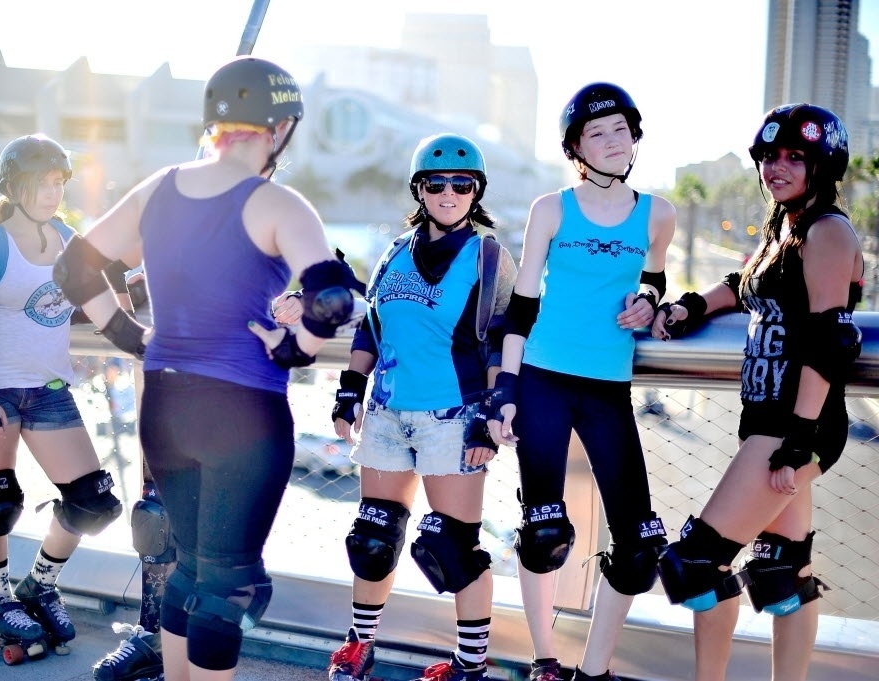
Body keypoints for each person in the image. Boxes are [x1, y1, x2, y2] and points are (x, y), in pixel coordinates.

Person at [52, 56, 363, 681]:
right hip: (240, 413)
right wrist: (294, 346)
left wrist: (130, 336)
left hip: (165, 408)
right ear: (279, 129)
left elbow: (73, 271)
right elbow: (335, 301)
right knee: (229, 591)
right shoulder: (279, 203)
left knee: (188, 571)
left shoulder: (158, 187)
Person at [652, 104, 862, 681]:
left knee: (695, 563)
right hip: (773, 421)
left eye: (796, 156)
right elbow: (744, 284)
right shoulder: (784, 230)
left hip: (794, 425)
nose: (778, 166)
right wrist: (692, 306)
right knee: (781, 573)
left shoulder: (828, 230)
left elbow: (828, 341)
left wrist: (796, 440)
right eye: (770, 156)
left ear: (823, 165)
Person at [485, 83, 676, 681]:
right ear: (576, 147)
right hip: (541, 379)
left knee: (640, 544)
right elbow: (521, 308)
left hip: (606, 387)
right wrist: (505, 392)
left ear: (636, 136)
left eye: (621, 129)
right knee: (542, 531)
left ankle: (593, 672)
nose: (613, 141)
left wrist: (647, 300)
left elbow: (653, 280)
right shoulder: (551, 208)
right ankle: (546, 663)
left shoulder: (658, 214)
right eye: (598, 132)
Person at [323, 133, 517, 681]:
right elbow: (371, 326)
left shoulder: (490, 255)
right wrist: (348, 390)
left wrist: (490, 413)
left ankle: (470, 666)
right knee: (372, 539)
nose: (449, 193)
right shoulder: (394, 250)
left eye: (462, 184)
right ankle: (359, 647)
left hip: (453, 418)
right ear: (420, 189)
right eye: (437, 184)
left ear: (476, 191)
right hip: (386, 413)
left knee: (455, 550)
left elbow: (506, 338)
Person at [0, 133, 122, 658]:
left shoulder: (69, 240)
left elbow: (84, 306)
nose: (51, 192)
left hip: (47, 389)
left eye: (58, 183)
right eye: (41, 183)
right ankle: (1, 601)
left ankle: (39, 586)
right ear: (14, 185)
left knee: (94, 503)